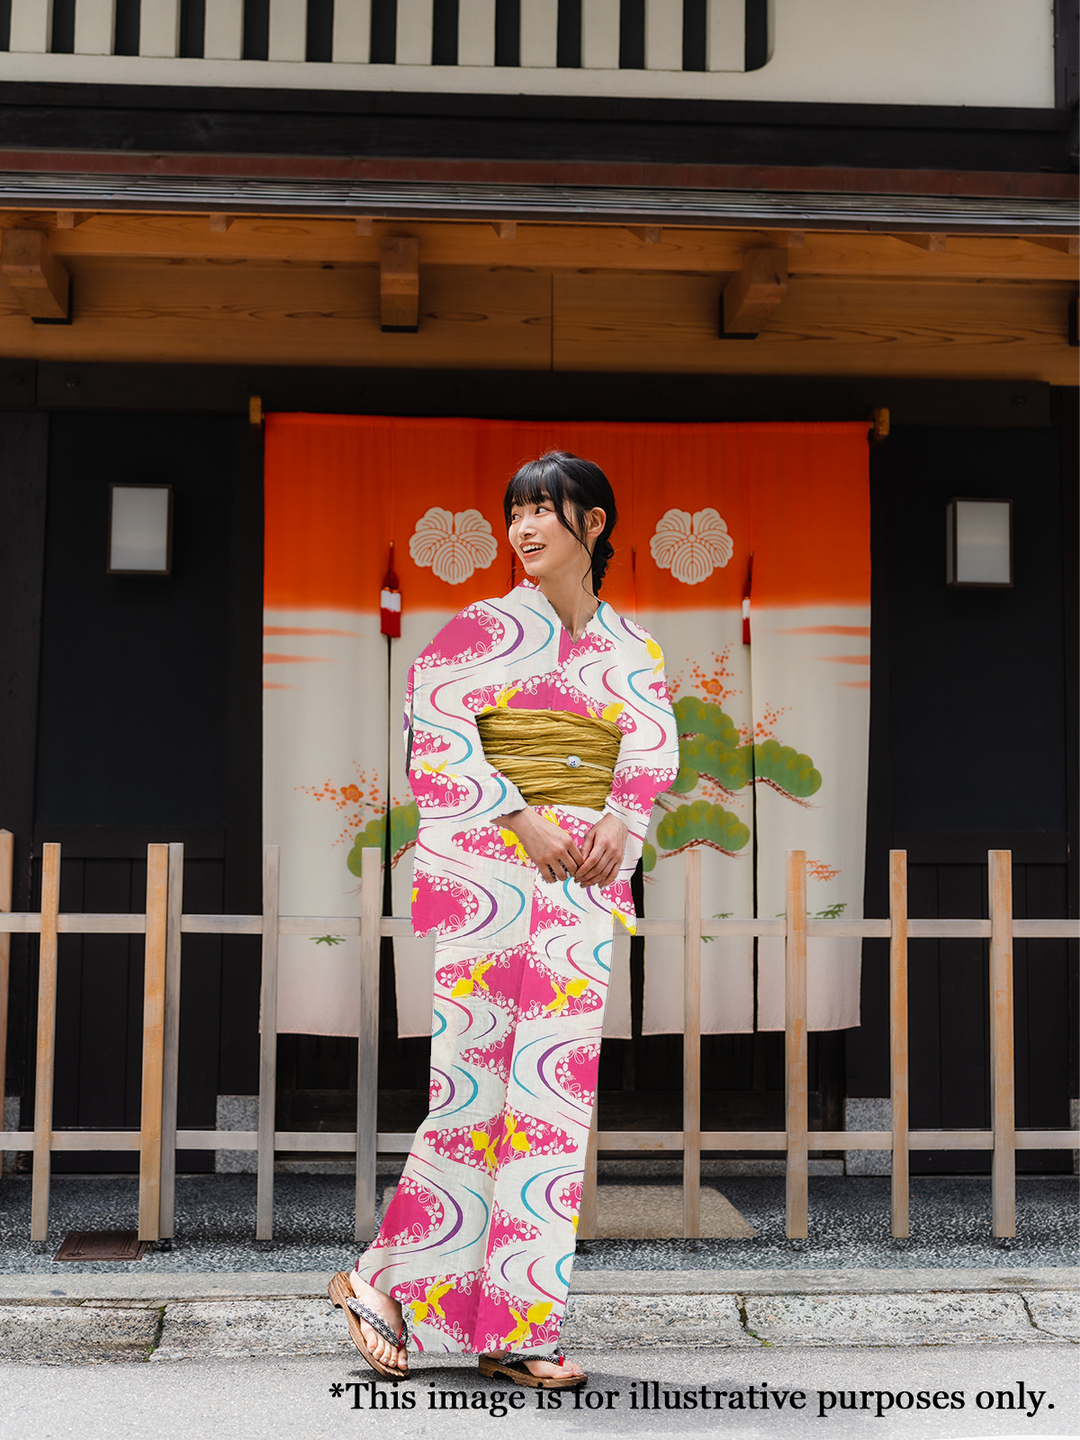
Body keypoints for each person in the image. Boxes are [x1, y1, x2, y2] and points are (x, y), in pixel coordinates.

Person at [329, 451, 679, 1387]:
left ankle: (520, 1323)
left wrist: (622, 819)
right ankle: (381, 1280)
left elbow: (650, 754)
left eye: (544, 512)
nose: (524, 529)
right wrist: (519, 814)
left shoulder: (633, 648)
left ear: (593, 525)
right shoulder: (479, 631)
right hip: (493, 877)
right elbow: (434, 731)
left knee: (552, 1106)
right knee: (472, 1092)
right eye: (515, 512)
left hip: (578, 888)